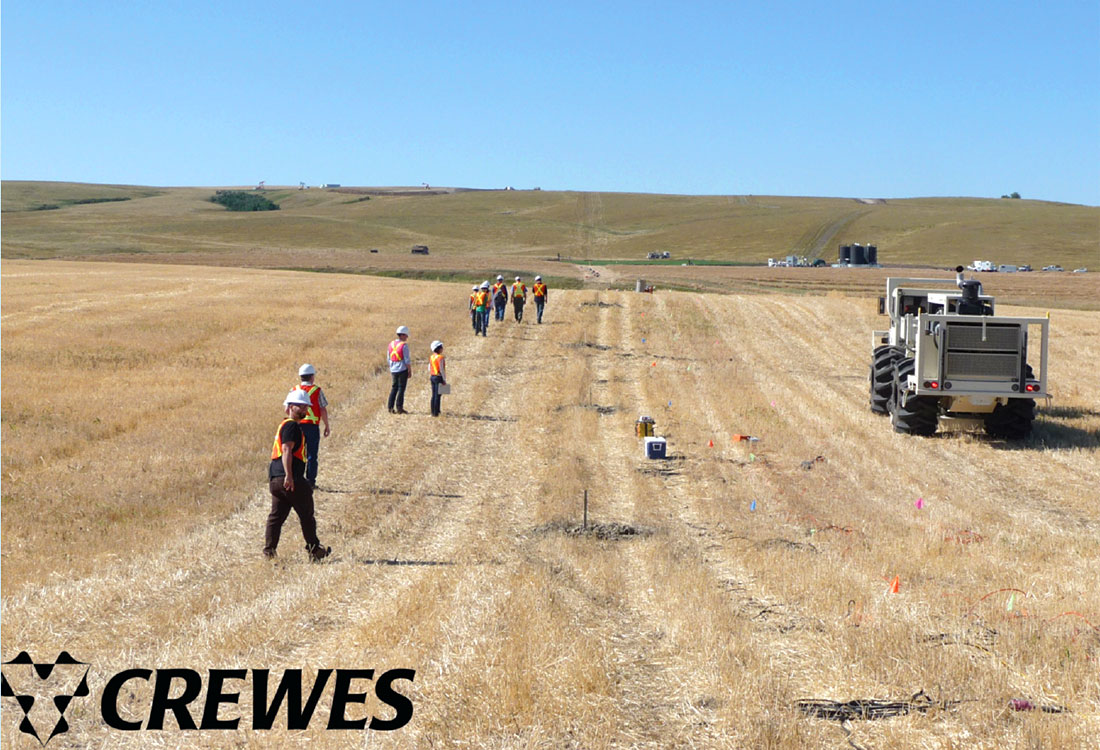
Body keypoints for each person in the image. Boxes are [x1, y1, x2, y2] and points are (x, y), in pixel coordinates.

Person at [265, 389, 331, 560]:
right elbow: (286, 449)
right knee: (306, 515)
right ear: (290, 407)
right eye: (300, 407)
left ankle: (269, 552)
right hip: (290, 478)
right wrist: (289, 476)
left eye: (306, 407)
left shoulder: (283, 425)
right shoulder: (292, 426)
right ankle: (315, 551)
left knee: (276, 517)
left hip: (275, 480)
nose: (304, 410)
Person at [295, 364, 330, 488]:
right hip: (312, 427)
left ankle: (297, 479)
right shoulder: (317, 391)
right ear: (312, 377)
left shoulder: (294, 390)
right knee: (311, 455)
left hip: (297, 427)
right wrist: (326, 425)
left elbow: (287, 408)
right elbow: (323, 409)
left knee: (297, 454)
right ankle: (310, 482)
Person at [388, 325, 411, 413]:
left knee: (394, 388)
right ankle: (399, 407)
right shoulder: (404, 346)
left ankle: (390, 407)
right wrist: (409, 370)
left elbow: (388, 358)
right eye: (405, 335)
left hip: (393, 369)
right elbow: (407, 360)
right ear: (401, 335)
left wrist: (392, 367)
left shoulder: (391, 344)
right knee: (401, 388)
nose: (407, 337)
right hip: (402, 369)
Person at [429, 340, 447, 417]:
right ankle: (436, 412)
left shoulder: (432, 357)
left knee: (433, 395)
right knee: (438, 395)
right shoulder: (441, 358)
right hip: (439, 377)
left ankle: (433, 411)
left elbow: (429, 368)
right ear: (438, 348)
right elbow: (442, 369)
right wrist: (444, 379)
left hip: (432, 376)